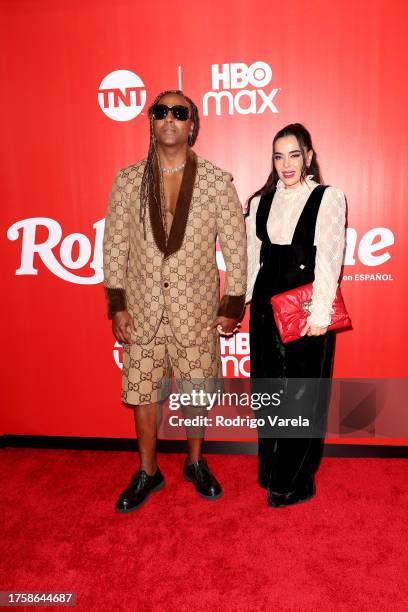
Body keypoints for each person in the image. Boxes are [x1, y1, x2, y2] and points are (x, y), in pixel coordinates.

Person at [103, 90, 247, 513]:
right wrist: (118, 303)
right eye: (160, 111)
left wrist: (231, 304)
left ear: (192, 125)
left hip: (197, 309)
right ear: (151, 121)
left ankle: (195, 462)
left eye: (178, 112)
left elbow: (237, 248)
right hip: (143, 308)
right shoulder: (128, 180)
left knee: (196, 391)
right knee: (144, 392)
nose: (169, 119)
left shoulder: (218, 181)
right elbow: (114, 245)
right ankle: (148, 471)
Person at [246, 123, 346, 507]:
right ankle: (272, 469)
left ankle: (295, 478)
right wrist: (240, 303)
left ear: (308, 156)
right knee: (268, 389)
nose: (286, 163)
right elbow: (255, 259)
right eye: (278, 155)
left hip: (306, 307)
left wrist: (320, 313)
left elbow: (328, 258)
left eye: (293, 154)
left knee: (302, 394)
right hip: (266, 309)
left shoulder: (328, 198)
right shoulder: (260, 202)